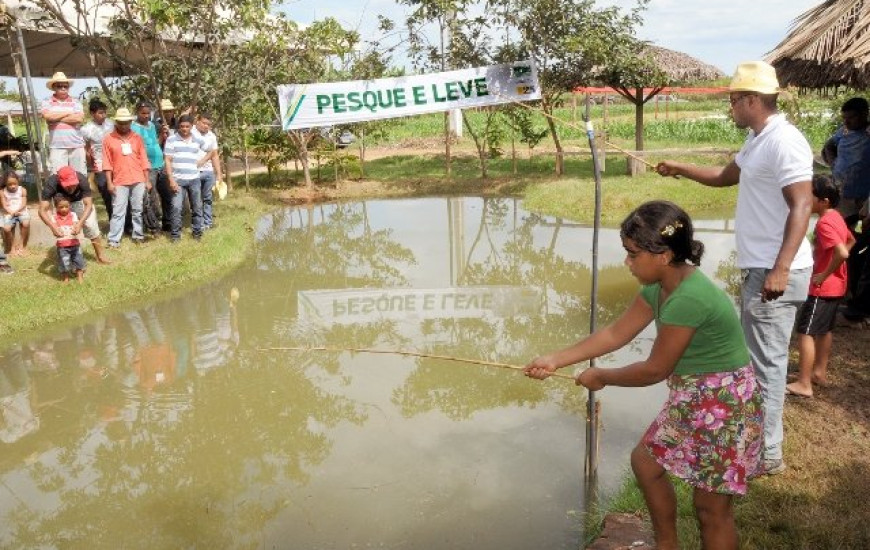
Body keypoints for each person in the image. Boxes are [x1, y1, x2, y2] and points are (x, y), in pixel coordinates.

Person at [524, 201, 762, 550]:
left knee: (711, 507)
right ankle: (667, 543)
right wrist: (555, 359)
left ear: (663, 255)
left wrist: (601, 376)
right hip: (694, 396)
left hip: (725, 405)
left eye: (633, 254)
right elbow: (615, 333)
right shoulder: (659, 288)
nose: (627, 262)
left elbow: (655, 369)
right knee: (646, 464)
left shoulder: (690, 299)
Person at [655, 61, 814, 476]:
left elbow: (802, 204)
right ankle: (759, 446)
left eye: (733, 100)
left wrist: (780, 269)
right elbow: (726, 176)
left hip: (774, 272)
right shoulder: (757, 139)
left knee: (766, 366)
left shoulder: (784, 141)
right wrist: (680, 168)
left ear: (752, 100)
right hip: (760, 269)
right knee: (759, 361)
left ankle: (767, 455)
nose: (730, 107)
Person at [785, 176, 854, 398]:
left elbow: (841, 252)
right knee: (824, 330)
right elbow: (850, 242)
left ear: (823, 201)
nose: (807, 197)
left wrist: (823, 274)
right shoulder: (836, 216)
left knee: (805, 332)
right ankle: (818, 372)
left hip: (821, 288)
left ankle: (804, 383)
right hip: (838, 286)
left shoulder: (824, 223)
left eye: (811, 194)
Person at [39, 166, 111, 264]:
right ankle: (68, 258)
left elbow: (88, 204)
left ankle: (100, 256)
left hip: (79, 201)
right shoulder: (51, 183)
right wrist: (53, 226)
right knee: (64, 230)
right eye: (67, 185)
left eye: (73, 184)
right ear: (60, 181)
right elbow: (42, 210)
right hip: (62, 204)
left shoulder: (82, 179)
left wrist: (80, 223)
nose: (71, 187)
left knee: (90, 225)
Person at [102, 107, 151, 248]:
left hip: (138, 179)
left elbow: (144, 160)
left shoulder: (137, 138)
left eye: (126, 122)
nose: (124, 125)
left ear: (130, 122)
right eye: (121, 123)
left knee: (137, 209)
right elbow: (107, 163)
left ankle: (138, 235)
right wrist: (109, 183)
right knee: (118, 211)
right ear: (116, 123)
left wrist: (147, 180)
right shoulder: (109, 139)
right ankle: (114, 240)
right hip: (119, 180)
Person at [821, 97, 870, 230]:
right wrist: (834, 164)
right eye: (844, 118)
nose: (846, 122)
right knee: (842, 230)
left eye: (851, 117)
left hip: (865, 196)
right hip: (843, 192)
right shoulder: (843, 131)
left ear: (865, 114)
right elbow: (829, 146)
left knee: (866, 231)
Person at [163, 115, 204, 242]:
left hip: (194, 179)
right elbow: (168, 160)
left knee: (197, 207)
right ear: (178, 126)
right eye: (182, 126)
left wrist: (201, 163)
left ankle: (197, 233)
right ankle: (175, 236)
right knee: (176, 208)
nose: (184, 129)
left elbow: (212, 150)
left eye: (187, 126)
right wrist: (171, 179)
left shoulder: (198, 140)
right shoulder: (171, 140)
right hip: (177, 181)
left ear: (192, 126)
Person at [40, 72, 86, 174]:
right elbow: (48, 116)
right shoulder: (46, 101)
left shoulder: (76, 101)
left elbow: (79, 119)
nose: (63, 88)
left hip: (76, 145)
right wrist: (68, 112)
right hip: (57, 146)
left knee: (80, 175)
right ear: (53, 87)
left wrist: (56, 118)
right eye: (60, 86)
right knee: (58, 176)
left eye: (66, 86)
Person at [131, 101, 164, 235]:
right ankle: (151, 224)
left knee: (159, 195)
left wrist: (162, 134)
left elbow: (156, 143)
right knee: (149, 195)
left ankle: (161, 221)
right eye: (143, 113)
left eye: (148, 113)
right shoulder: (133, 127)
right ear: (137, 113)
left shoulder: (151, 125)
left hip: (159, 163)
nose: (146, 116)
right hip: (147, 166)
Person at [79, 98, 115, 219]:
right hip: (100, 166)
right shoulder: (86, 129)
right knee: (107, 194)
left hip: (116, 164)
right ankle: (113, 221)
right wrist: (91, 164)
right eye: (100, 112)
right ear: (92, 113)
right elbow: (85, 148)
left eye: (104, 112)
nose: (103, 115)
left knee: (121, 193)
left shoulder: (111, 124)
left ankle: (126, 223)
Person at [191, 112, 223, 230]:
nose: (206, 126)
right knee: (196, 199)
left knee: (208, 198)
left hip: (208, 171)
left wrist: (218, 174)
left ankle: (208, 222)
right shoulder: (190, 132)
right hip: (193, 172)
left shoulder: (211, 136)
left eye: (208, 124)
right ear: (197, 121)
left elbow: (215, 155)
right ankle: (197, 223)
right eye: (204, 123)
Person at [52, 195, 85, 283]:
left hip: (75, 244)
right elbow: (55, 228)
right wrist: (57, 231)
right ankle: (65, 278)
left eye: (66, 206)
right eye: (61, 207)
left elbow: (76, 224)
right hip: (62, 246)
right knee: (64, 262)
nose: (64, 209)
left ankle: (80, 276)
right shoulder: (54, 217)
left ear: (70, 205)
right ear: (56, 207)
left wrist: (75, 229)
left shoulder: (73, 215)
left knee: (78, 260)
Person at [0, 171, 30, 256]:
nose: (13, 186)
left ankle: (21, 245)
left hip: (21, 211)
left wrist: (17, 211)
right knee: (6, 229)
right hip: (9, 212)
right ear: (5, 183)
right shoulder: (2, 192)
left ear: (18, 181)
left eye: (14, 184)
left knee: (26, 223)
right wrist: (11, 212)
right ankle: (12, 247)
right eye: (10, 184)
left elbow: (24, 203)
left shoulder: (22, 190)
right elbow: (4, 205)